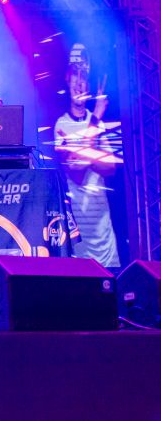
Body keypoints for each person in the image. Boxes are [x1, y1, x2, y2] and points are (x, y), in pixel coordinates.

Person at [53, 43, 119, 268]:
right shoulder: (62, 125)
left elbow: (110, 167)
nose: (79, 87)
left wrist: (83, 151)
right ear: (68, 84)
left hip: (104, 232)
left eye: (83, 83)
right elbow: (77, 172)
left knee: (112, 285)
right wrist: (96, 120)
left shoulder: (96, 122)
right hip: (79, 232)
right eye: (75, 83)